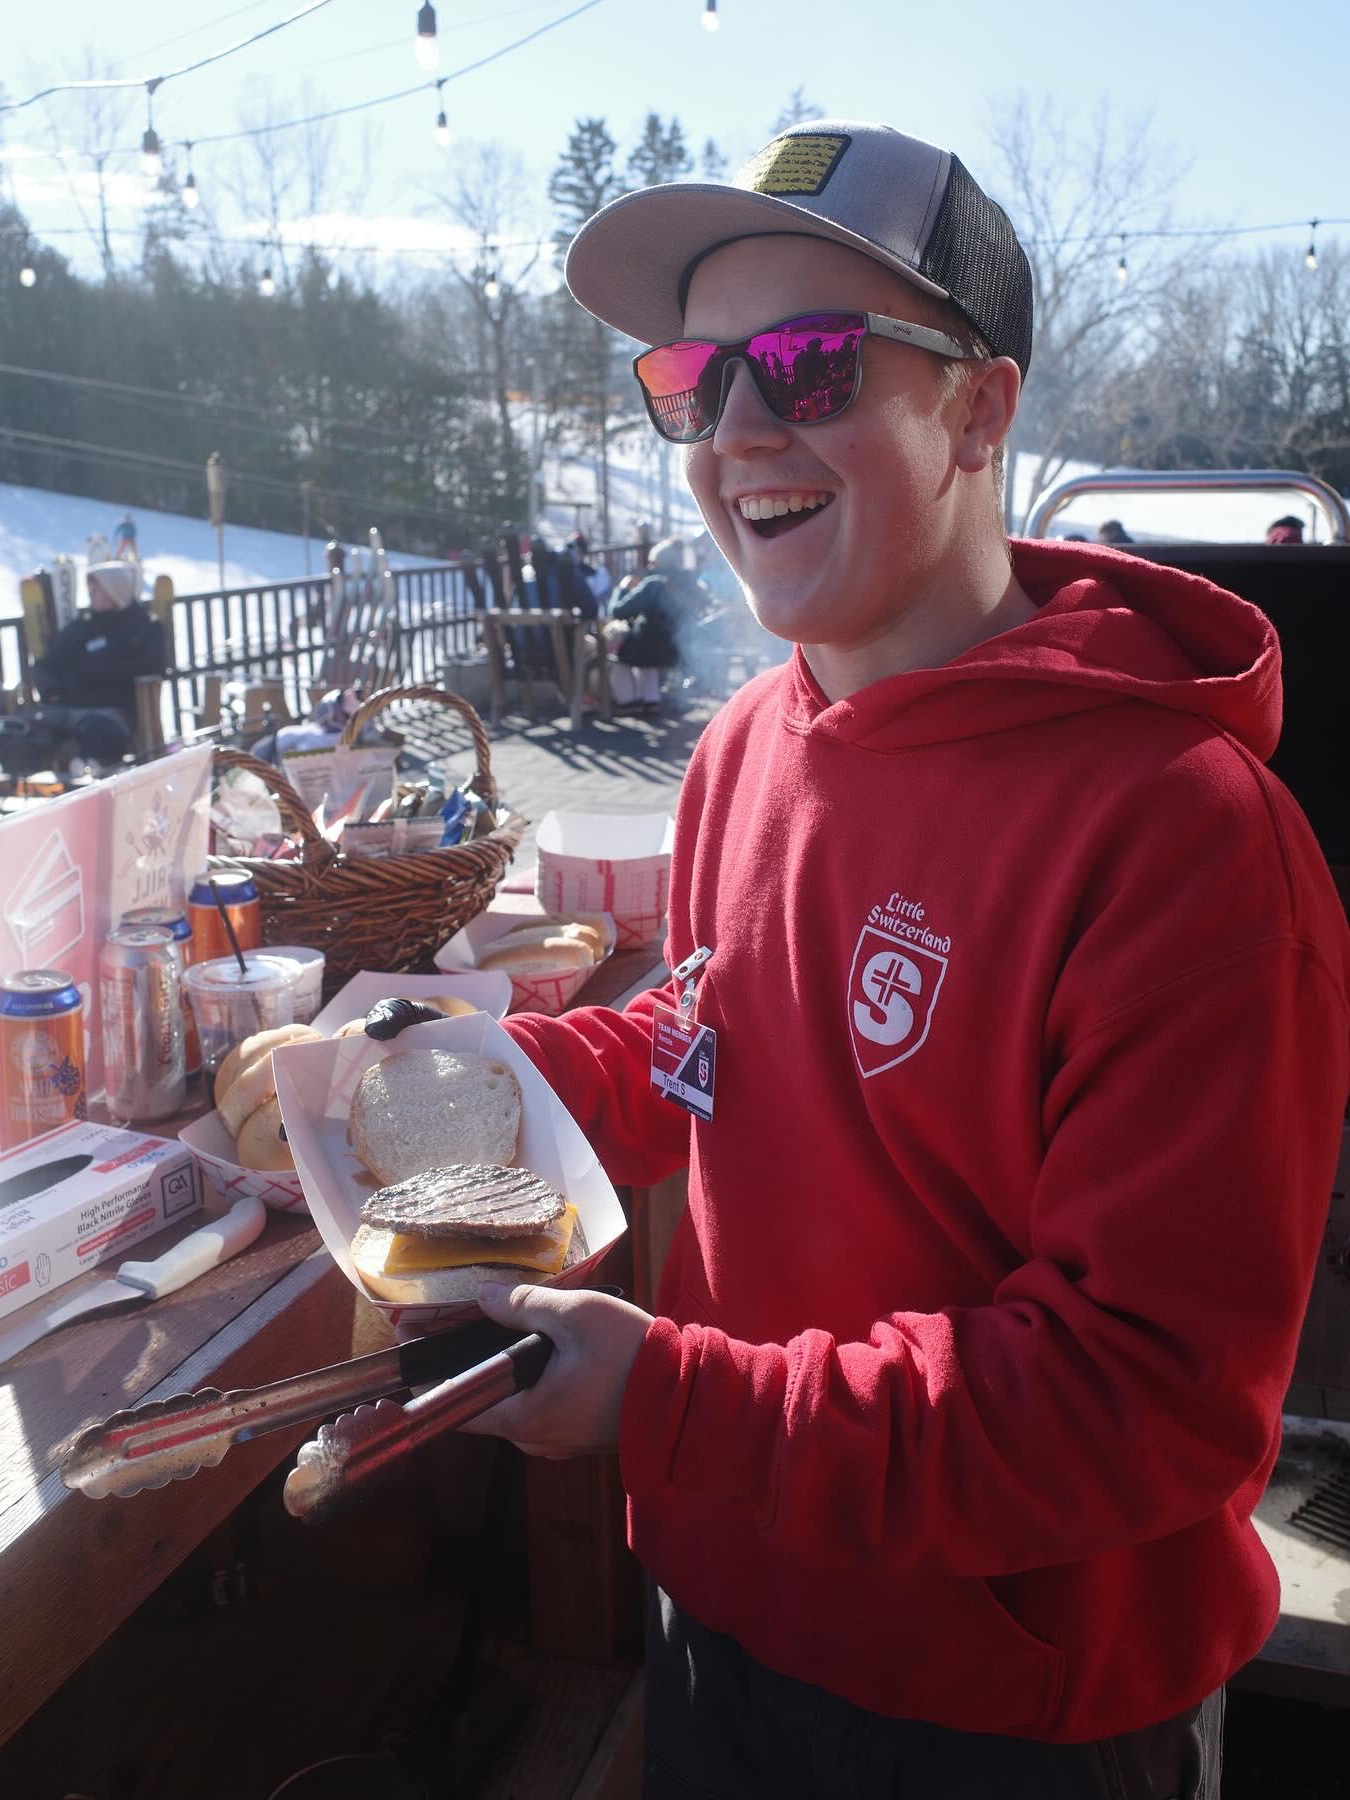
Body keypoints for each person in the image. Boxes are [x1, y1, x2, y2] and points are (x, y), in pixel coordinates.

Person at [461, 120, 1350, 1797]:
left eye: (809, 363)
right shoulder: (745, 746)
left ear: (981, 412)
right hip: (721, 1602)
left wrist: (674, 1406)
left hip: (1008, 1710)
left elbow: (1143, 1399)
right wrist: (461, 1081)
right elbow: (709, 1047)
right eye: (695, 379)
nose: (739, 429)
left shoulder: (1185, 836)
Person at [0, 561, 166, 776]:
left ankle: (87, 778)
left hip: (110, 710)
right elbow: (47, 664)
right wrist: (52, 690)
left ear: (113, 592)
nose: (90, 592)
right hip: (63, 707)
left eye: (96, 588)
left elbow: (152, 667)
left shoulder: (143, 627)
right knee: (9, 733)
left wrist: (97, 670)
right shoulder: (82, 626)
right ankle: (30, 784)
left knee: (98, 733)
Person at [605, 537, 703, 710]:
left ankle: (626, 701)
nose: (650, 566)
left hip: (648, 648)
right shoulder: (692, 584)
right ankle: (651, 700)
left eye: (652, 562)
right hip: (679, 650)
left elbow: (617, 611)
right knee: (646, 652)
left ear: (660, 563)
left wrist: (623, 588)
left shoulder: (654, 585)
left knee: (622, 653)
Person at [567, 531, 613, 617]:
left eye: (578, 552)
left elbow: (597, 600)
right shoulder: (564, 573)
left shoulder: (596, 573)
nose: (574, 555)